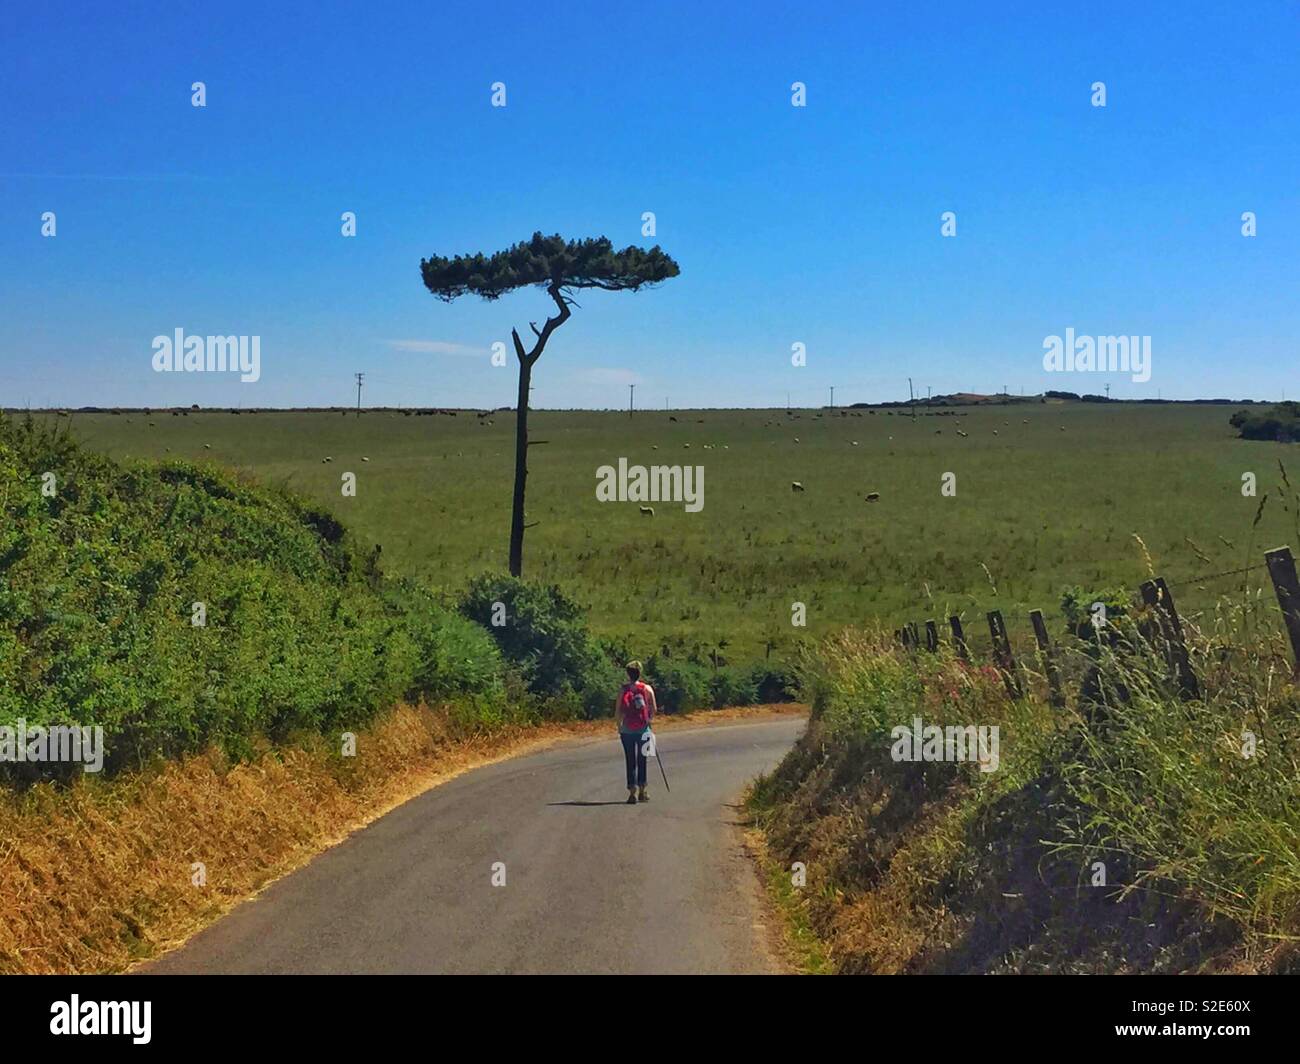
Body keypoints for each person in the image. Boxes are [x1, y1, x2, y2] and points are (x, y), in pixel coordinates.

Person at [615, 660, 658, 804]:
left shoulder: (623, 689)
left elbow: (618, 710)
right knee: (642, 759)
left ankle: (631, 792)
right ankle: (642, 791)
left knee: (630, 760)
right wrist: (648, 720)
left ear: (628, 674)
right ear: (639, 673)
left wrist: (619, 727)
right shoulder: (647, 688)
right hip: (643, 728)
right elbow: (654, 709)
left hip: (627, 729)